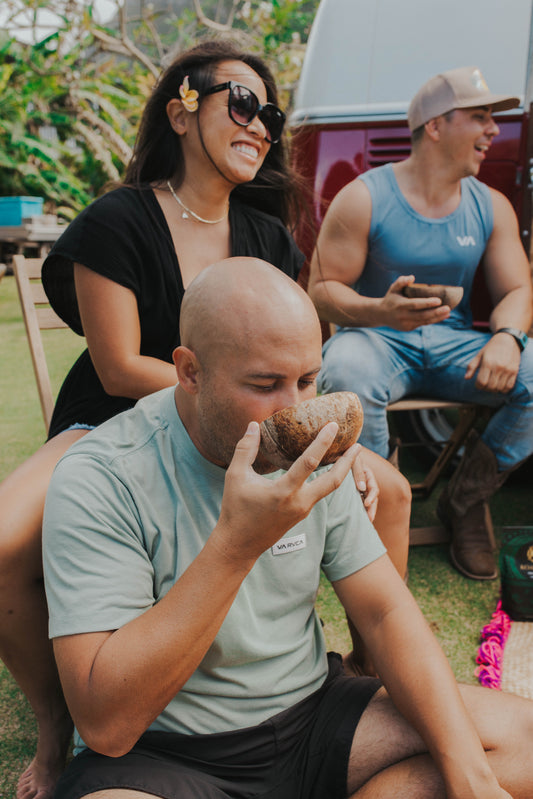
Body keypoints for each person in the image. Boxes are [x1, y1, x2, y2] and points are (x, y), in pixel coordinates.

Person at [0, 39, 410, 799]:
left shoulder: (265, 234)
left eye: (271, 113)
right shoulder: (116, 220)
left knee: (388, 488)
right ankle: (57, 724)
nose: (261, 124)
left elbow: (284, 353)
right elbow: (120, 364)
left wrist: (303, 428)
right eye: (242, 102)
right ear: (181, 110)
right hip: (111, 421)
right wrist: (225, 395)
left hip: (241, 417)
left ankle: (364, 673)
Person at [42, 256, 533, 799]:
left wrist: (470, 778)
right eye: (265, 383)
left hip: (312, 717)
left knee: (521, 741)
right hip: (164, 752)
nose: (296, 412)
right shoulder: (102, 476)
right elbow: (107, 726)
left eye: (306, 380)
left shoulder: (313, 446)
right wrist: (236, 545)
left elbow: (384, 609)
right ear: (189, 371)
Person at [308, 65, 533, 582]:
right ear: (435, 126)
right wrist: (377, 311)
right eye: (480, 118)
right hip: (375, 339)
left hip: (454, 344)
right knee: (343, 370)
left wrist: (506, 337)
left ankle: (465, 499)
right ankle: (372, 520)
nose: (494, 131)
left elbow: (518, 290)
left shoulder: (490, 205)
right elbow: (319, 293)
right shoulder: (365, 196)